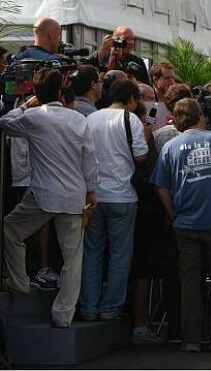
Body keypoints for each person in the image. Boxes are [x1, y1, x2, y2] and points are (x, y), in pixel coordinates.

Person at [0, 68, 97, 327]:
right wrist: (92, 190)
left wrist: (24, 106)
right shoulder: (78, 120)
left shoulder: (32, 117)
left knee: (11, 228)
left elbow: (4, 122)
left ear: (34, 92)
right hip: (74, 194)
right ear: (59, 92)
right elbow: (89, 159)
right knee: (72, 258)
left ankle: (19, 280)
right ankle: (63, 315)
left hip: (42, 194)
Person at [152, 98, 211, 353]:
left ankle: (191, 338)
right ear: (200, 116)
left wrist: (173, 214)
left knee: (190, 280)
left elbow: (161, 188)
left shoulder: (170, 147)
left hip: (186, 223)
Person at [79, 80, 149, 321]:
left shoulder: (91, 119)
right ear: (131, 98)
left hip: (94, 194)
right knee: (120, 254)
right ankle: (111, 308)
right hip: (123, 195)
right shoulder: (131, 120)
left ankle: (89, 306)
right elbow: (140, 157)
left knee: (92, 252)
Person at [150, 62, 178, 131]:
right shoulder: (149, 101)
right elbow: (148, 126)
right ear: (155, 80)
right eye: (167, 78)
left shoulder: (176, 100)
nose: (172, 82)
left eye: (173, 78)